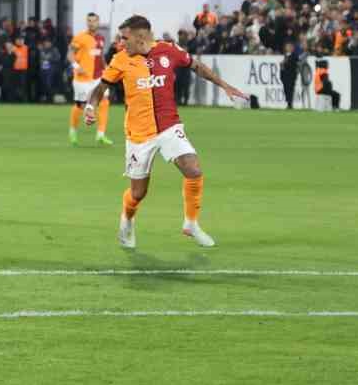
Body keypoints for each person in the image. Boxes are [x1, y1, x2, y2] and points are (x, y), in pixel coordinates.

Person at [84, 15, 248, 250]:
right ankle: (127, 219)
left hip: (170, 127)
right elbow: (100, 88)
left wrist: (225, 86)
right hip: (139, 135)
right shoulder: (120, 59)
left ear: (141, 37)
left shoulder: (169, 50)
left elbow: (196, 66)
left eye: (125, 38)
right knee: (138, 193)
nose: (121, 43)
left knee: (193, 169)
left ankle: (191, 223)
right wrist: (91, 107)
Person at [68, 13, 113, 146]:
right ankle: (73, 131)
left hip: (98, 77)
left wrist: (106, 68)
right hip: (82, 78)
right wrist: (77, 66)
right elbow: (70, 54)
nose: (91, 23)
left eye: (94, 21)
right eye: (89, 21)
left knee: (104, 101)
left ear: (98, 22)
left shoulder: (100, 38)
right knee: (81, 106)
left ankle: (101, 134)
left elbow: (100, 57)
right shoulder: (80, 37)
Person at [280, 41, 303, 110]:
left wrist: (285, 63)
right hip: (285, 75)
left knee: (290, 89)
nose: (288, 48)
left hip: (291, 75)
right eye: (287, 47)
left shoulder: (294, 55)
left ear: (292, 48)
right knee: (286, 89)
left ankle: (290, 103)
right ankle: (288, 102)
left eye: (290, 47)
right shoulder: (285, 55)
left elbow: (295, 64)